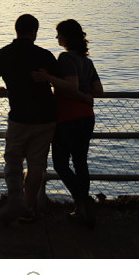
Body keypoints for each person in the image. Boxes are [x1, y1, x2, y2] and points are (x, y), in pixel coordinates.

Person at [0, 13, 59, 224]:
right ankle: (27, 207)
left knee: (13, 159)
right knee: (37, 164)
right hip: (46, 117)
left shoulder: (2, 54)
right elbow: (59, 83)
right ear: (34, 31)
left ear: (16, 30)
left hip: (19, 117)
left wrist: (0, 91)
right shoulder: (44, 55)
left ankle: (16, 201)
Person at [32, 18, 103, 228]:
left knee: (61, 164)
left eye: (59, 33)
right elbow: (98, 91)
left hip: (67, 118)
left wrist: (48, 78)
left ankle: (83, 202)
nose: (57, 37)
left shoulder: (65, 58)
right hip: (86, 117)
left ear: (66, 36)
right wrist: (85, 98)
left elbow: (71, 86)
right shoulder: (86, 61)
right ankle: (82, 208)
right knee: (80, 163)